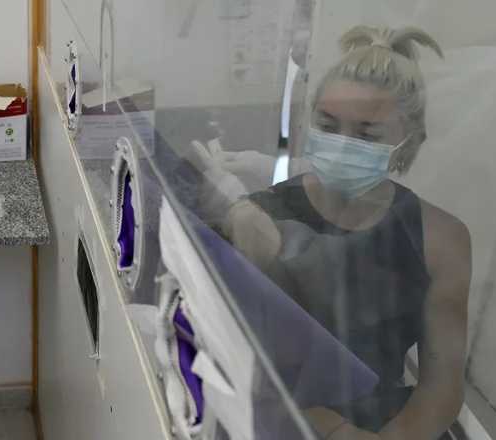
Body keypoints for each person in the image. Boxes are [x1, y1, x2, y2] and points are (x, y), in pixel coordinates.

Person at [195, 26, 471, 439]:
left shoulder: (440, 239)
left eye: (366, 134)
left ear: (409, 140)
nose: (342, 144)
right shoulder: (260, 217)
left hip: (381, 423)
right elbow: (233, 359)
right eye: (327, 125)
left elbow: (442, 388)